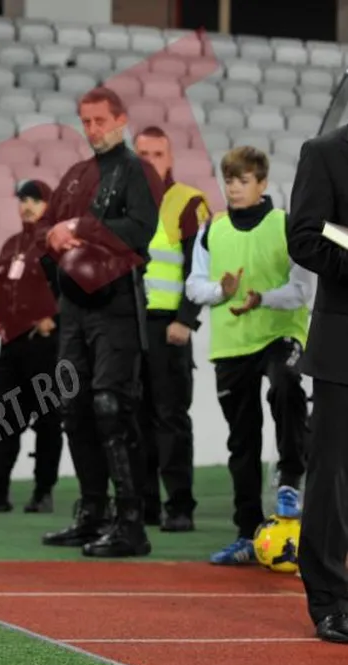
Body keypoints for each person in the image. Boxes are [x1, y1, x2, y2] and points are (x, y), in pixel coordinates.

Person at [39, 87, 164, 557]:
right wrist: (55, 239)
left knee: (112, 406)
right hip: (74, 306)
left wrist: (82, 229)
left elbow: (141, 230)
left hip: (117, 303)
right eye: (86, 121)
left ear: (121, 119)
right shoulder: (77, 175)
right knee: (72, 406)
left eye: (100, 121)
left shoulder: (138, 170)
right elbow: (47, 228)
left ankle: (131, 523)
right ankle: (92, 512)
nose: (92, 129)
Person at [185, 146, 310, 566]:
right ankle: (246, 534)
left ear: (262, 183)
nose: (234, 189)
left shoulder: (285, 225)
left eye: (243, 181)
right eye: (229, 181)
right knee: (242, 440)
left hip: (279, 333)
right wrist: (221, 291)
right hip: (232, 344)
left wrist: (262, 299)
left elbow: (301, 290)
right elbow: (193, 286)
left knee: (286, 386)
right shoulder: (212, 230)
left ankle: (289, 478)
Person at [286, 122, 348, 643]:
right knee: (333, 476)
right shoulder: (325, 153)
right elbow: (305, 237)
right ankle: (330, 600)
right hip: (342, 346)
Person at [133, 126, 212, 532]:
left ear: (170, 158)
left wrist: (186, 318)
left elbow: (200, 265)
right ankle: (143, 505)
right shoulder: (124, 202)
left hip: (169, 326)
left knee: (170, 418)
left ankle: (180, 506)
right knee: (134, 417)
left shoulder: (187, 202)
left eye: (157, 154)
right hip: (130, 326)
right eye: (142, 154)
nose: (149, 161)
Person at [0, 180, 63, 514]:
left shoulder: (57, 242)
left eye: (35, 201)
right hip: (12, 345)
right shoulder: (12, 244)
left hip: (45, 345)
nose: (27, 206)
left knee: (48, 420)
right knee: (7, 418)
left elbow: (75, 285)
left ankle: (43, 491)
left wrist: (55, 318)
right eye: (24, 200)